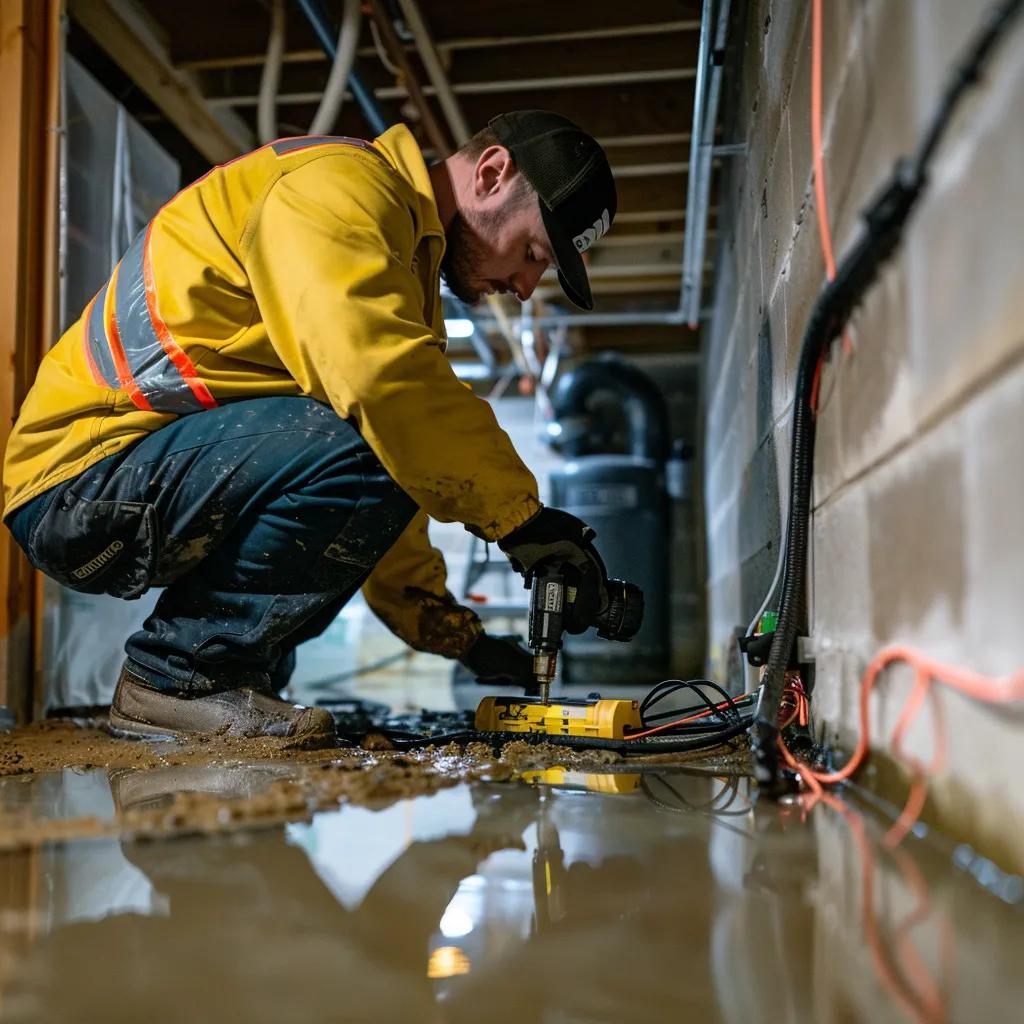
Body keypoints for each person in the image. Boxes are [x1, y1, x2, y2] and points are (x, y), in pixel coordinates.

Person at [2, 110, 618, 745]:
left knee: (381, 443)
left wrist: (461, 640)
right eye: (533, 253)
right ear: (490, 174)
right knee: (369, 436)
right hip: (80, 480)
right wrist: (523, 522)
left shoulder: (399, 265)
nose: (525, 287)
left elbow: (391, 480)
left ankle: (237, 684)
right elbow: (378, 386)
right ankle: (180, 679)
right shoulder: (337, 188)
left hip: (142, 475)